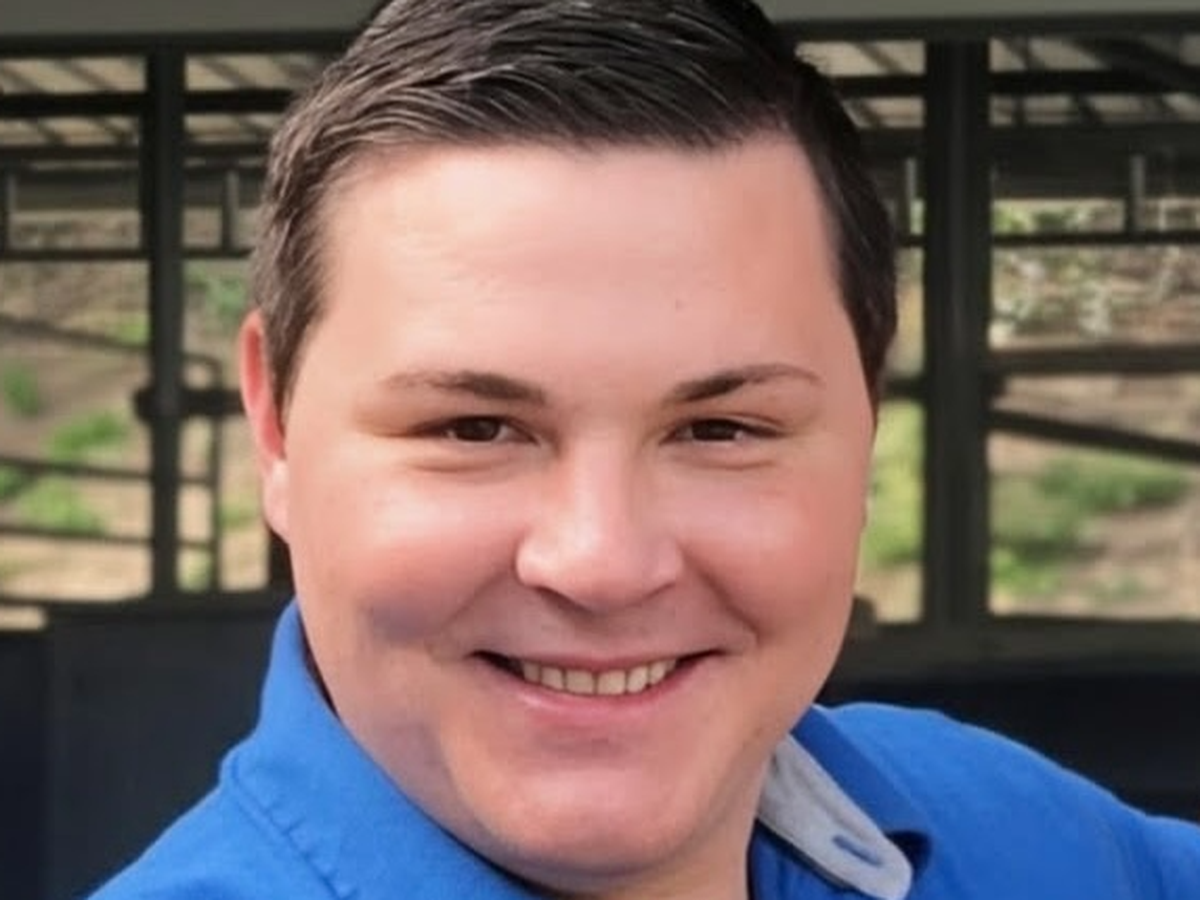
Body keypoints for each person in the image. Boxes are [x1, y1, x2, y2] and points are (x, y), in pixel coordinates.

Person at [91, 1, 1200, 898]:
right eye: (473, 428)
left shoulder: (1001, 827)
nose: (602, 562)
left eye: (722, 428)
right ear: (276, 428)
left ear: (866, 422)